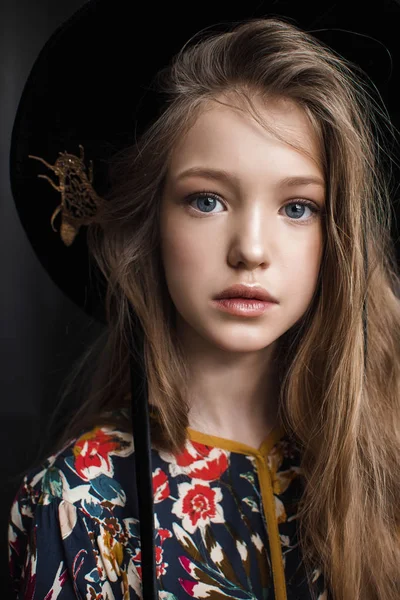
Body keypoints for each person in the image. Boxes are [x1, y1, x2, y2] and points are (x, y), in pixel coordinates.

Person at [7, 3, 400, 600]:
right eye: (207, 200)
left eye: (297, 207)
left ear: (336, 237)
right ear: (151, 224)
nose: (250, 250)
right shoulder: (79, 501)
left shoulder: (382, 462)